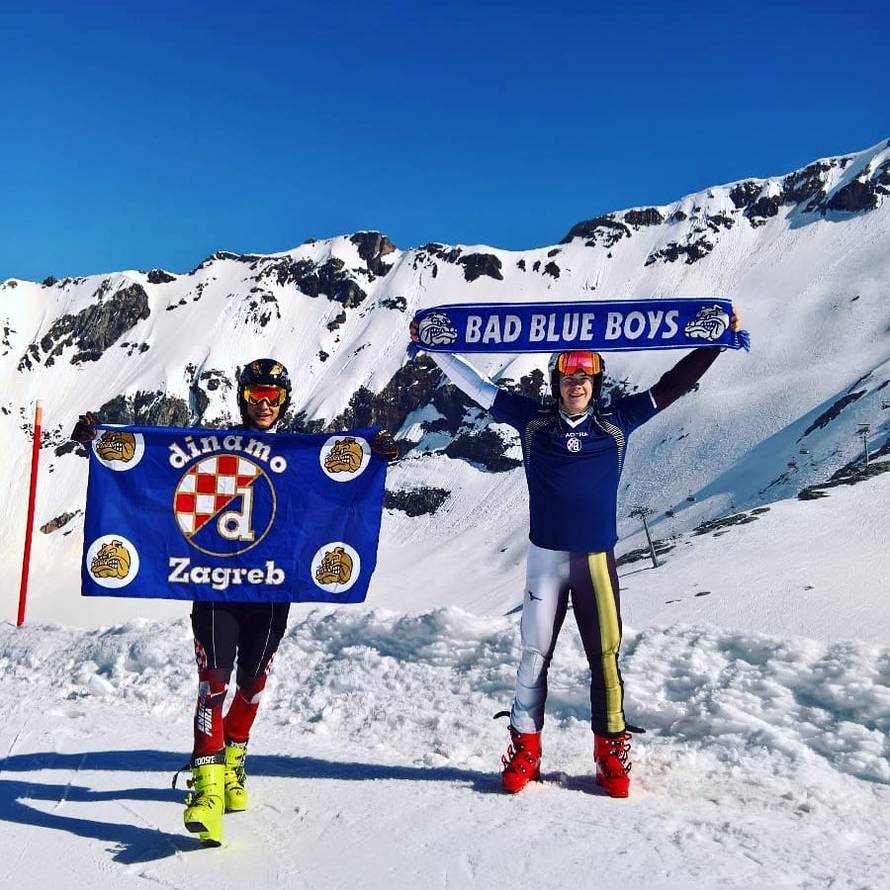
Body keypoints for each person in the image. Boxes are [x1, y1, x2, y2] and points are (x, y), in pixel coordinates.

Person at [409, 311, 742, 797]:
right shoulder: (533, 422)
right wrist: (432, 348)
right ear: (556, 381)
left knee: (604, 657)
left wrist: (719, 342)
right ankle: (525, 745)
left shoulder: (617, 422)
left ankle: (610, 752)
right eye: (568, 375)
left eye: (585, 375)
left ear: (596, 382)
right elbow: (480, 388)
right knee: (533, 656)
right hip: (546, 560)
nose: (576, 383)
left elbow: (673, 384)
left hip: (595, 563)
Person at [72, 358, 398, 845]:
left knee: (253, 682)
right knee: (213, 682)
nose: (264, 404)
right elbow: (157, 470)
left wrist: (373, 452)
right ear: (241, 397)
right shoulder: (212, 448)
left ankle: (233, 760)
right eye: (255, 395)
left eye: (274, 396)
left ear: (285, 401)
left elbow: (328, 492)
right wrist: (99, 440)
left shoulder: (300, 451)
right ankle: (205, 789)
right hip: (214, 586)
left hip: (270, 589)